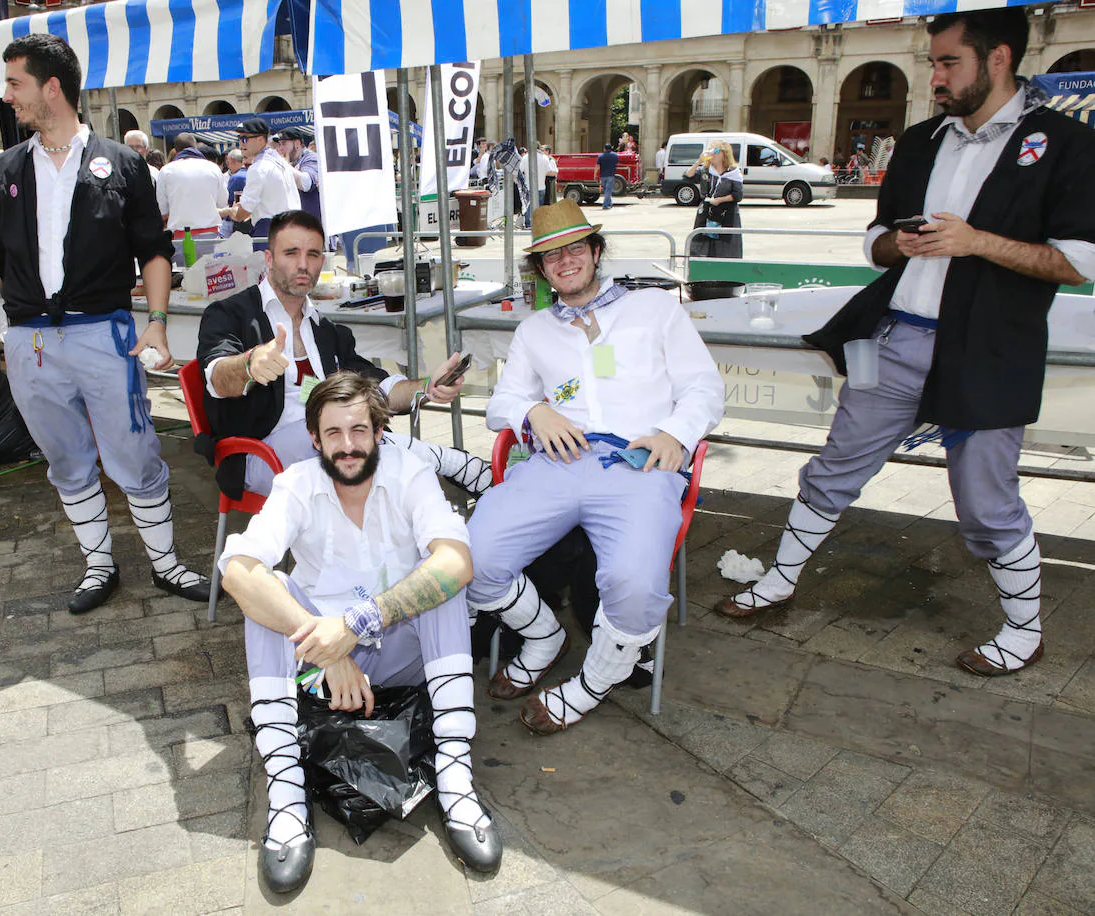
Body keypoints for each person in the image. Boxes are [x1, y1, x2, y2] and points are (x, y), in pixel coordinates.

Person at [716, 9, 1095, 678]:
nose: (936, 75)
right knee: (834, 467)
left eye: (949, 62)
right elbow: (875, 240)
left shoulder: (1065, 142)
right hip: (896, 337)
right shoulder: (921, 139)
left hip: (990, 350)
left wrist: (976, 242)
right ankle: (780, 580)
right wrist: (899, 244)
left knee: (985, 501)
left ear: (998, 58)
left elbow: (1077, 260)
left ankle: (1025, 629)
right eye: (935, 63)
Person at [0, 32, 211, 614]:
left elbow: (155, 251)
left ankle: (166, 564)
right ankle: (98, 564)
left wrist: (157, 322)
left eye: (15, 84)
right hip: (31, 340)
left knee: (133, 453)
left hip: (103, 335)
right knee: (64, 458)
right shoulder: (9, 168)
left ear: (52, 88)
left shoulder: (123, 163)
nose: (6, 96)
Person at [220, 370, 503, 892]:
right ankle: (286, 795)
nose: (347, 446)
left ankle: (456, 777)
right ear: (314, 437)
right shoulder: (297, 484)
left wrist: (358, 623)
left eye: (358, 430)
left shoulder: (409, 472)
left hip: (400, 650)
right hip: (321, 666)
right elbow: (236, 570)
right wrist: (326, 645)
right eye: (333, 433)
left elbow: (457, 561)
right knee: (263, 588)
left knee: (442, 582)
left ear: (378, 431)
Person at [465, 200, 723, 734]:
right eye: (550, 256)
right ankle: (543, 636)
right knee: (471, 559)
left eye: (574, 248)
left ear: (596, 252)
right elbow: (501, 404)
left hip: (640, 463)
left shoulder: (653, 309)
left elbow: (704, 386)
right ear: (540, 270)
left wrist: (676, 433)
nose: (564, 261)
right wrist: (534, 409)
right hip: (560, 463)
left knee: (632, 582)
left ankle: (592, 684)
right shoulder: (535, 331)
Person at [196, 209, 491, 499]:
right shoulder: (229, 314)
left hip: (330, 447)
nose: (303, 264)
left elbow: (379, 388)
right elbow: (216, 377)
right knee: (348, 435)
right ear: (269, 259)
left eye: (312, 255)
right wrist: (248, 365)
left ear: (322, 262)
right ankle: (453, 464)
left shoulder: (326, 331)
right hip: (258, 454)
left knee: (367, 456)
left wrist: (427, 387)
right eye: (291, 253)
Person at [217, 117, 298, 250]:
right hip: (291, 227)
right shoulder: (279, 161)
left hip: (270, 230)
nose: (241, 143)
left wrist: (229, 211)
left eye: (245, 139)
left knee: (266, 270)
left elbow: (241, 214)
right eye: (239, 138)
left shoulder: (258, 167)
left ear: (260, 139)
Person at [155, 132, 227, 239]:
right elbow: (222, 203)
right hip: (211, 235)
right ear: (195, 147)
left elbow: (162, 210)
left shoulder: (166, 171)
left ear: (175, 150)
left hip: (180, 236)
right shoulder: (213, 168)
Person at [684, 140, 743, 259]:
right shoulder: (706, 170)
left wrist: (720, 200)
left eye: (716, 150)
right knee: (703, 243)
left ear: (724, 154)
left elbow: (737, 195)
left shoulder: (733, 173)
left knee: (725, 245)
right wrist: (699, 161)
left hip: (726, 214)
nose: (713, 154)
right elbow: (687, 176)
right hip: (707, 212)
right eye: (711, 150)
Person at [285, 127, 321, 224]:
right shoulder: (290, 163)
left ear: (297, 144)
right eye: (279, 144)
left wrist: (283, 164)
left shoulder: (311, 158)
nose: (280, 148)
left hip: (312, 225)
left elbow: (306, 183)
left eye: (283, 143)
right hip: (295, 224)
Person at [220, 148, 248, 238]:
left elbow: (229, 200)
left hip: (235, 219)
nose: (228, 166)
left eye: (228, 163)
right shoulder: (253, 173)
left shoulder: (236, 177)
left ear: (232, 160)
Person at [593, 143, 619, 210]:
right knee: (608, 191)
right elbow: (617, 163)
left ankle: (609, 203)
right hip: (611, 175)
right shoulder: (615, 155)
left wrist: (595, 175)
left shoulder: (601, 156)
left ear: (604, 149)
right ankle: (605, 205)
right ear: (611, 149)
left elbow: (597, 166)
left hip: (603, 176)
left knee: (606, 191)